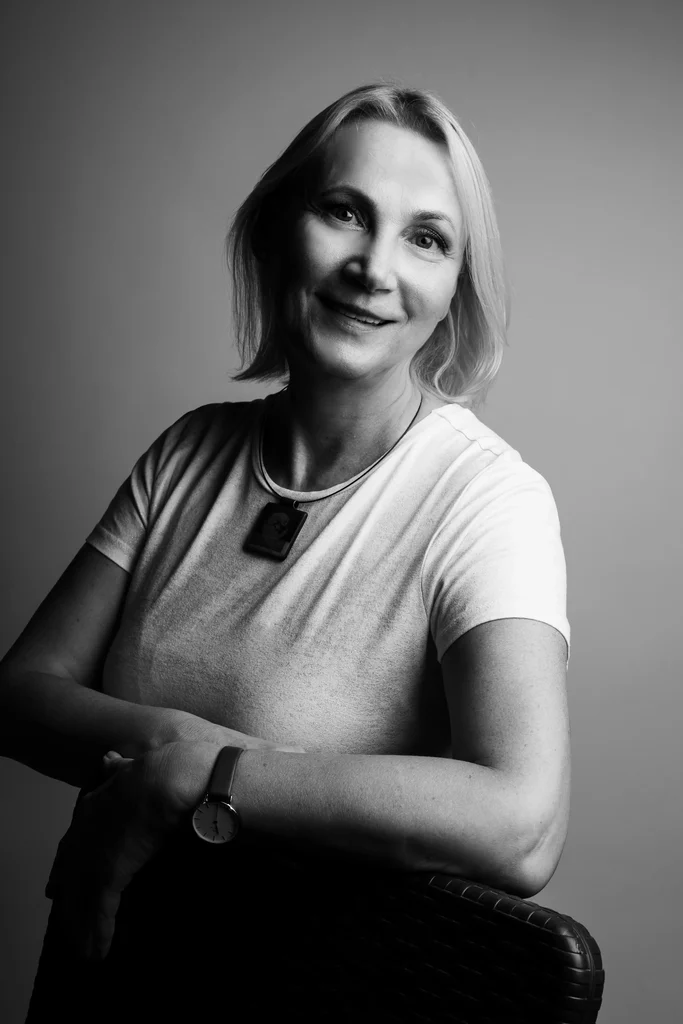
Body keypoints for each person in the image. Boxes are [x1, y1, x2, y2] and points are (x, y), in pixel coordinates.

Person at [0, 83, 570, 1021]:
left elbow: (522, 827)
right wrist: (174, 746)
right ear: (277, 230)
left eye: (425, 237)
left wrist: (207, 782)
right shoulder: (190, 449)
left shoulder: (486, 500)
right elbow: (21, 693)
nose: (373, 268)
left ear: (456, 288)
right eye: (344, 212)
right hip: (106, 986)